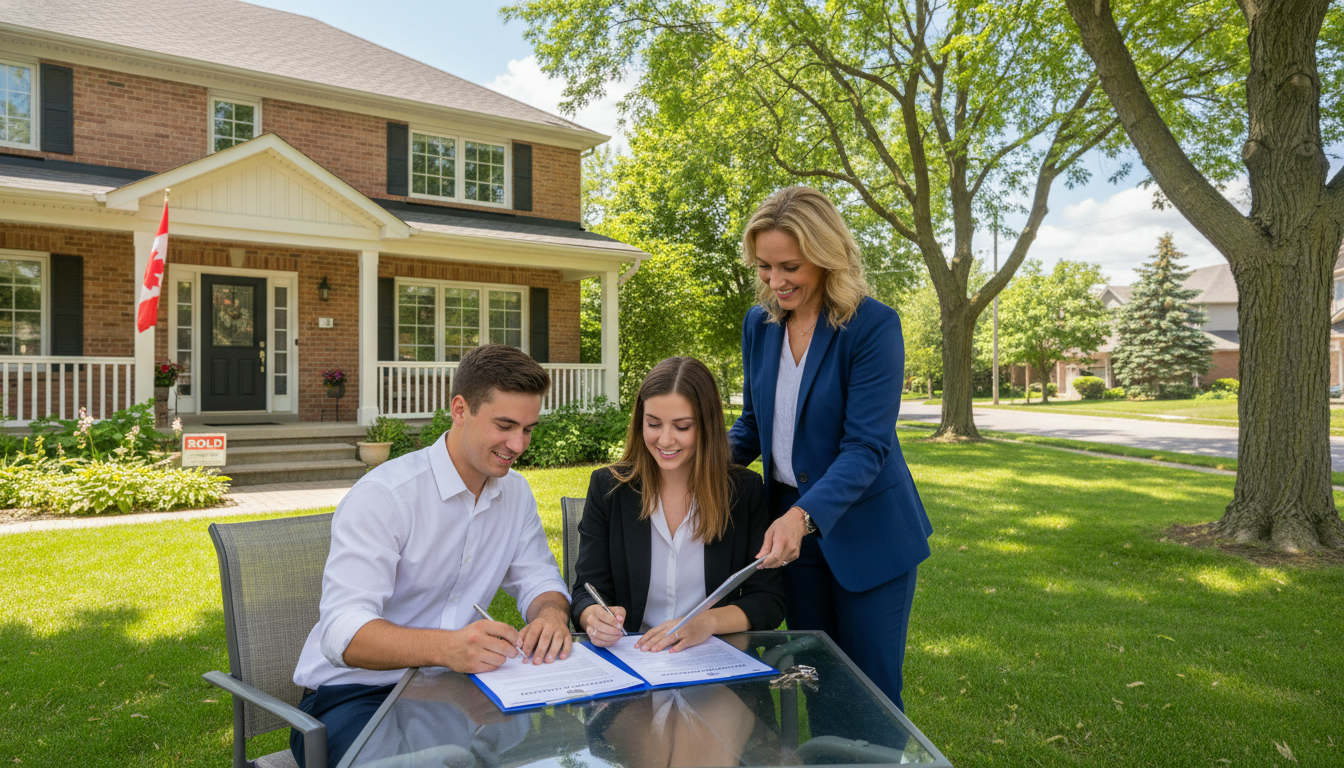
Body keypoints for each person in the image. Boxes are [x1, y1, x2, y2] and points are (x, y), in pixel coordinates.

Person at [290, 344, 573, 767]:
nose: (518, 444)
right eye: (505, 425)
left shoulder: (515, 494)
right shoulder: (385, 497)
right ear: (460, 409)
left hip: (460, 689)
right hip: (357, 696)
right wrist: (447, 648)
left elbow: (539, 579)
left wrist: (550, 615)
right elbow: (342, 633)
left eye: (528, 429)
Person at [728, 186, 933, 712]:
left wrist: (802, 515)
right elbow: (752, 427)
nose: (775, 281)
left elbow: (867, 447)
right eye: (765, 267)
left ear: (825, 256)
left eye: (789, 266)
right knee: (817, 687)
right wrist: (687, 467)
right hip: (791, 541)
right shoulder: (761, 324)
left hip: (867, 535)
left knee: (871, 697)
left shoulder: (872, 326)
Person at [570, 356, 785, 652]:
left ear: (707, 426)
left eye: (682, 426)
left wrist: (705, 622)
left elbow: (769, 600)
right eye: (653, 424)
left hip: (712, 657)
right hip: (635, 658)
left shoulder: (743, 491)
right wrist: (593, 617)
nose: (665, 440)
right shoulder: (609, 488)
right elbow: (586, 591)